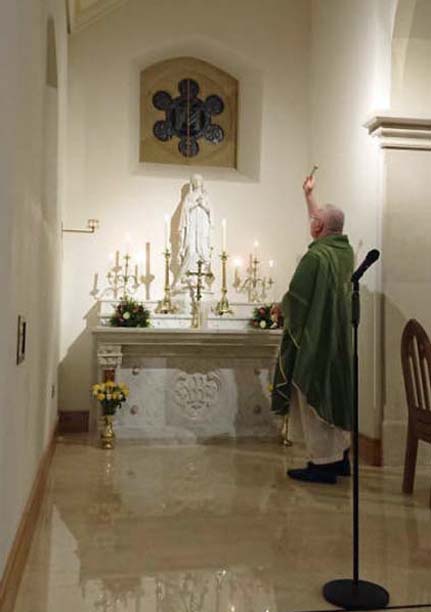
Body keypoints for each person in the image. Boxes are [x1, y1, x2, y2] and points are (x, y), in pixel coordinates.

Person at [271, 173, 354, 484]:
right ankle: (339, 458)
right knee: (337, 394)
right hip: (339, 338)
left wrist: (281, 308)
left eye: (313, 220)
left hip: (316, 340)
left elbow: (298, 298)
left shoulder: (314, 257)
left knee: (313, 396)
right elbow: (325, 222)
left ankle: (321, 464)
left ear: (318, 227)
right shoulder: (344, 252)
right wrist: (309, 197)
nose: (311, 222)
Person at [177, 174, 213, 282]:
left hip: (202, 227)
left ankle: (201, 279)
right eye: (195, 180)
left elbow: (211, 212)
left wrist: (202, 204)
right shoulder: (189, 196)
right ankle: (185, 277)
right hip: (192, 227)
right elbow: (184, 211)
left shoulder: (206, 196)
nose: (197, 182)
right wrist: (193, 205)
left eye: (199, 180)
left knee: (202, 250)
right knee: (191, 250)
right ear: (192, 182)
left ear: (202, 182)